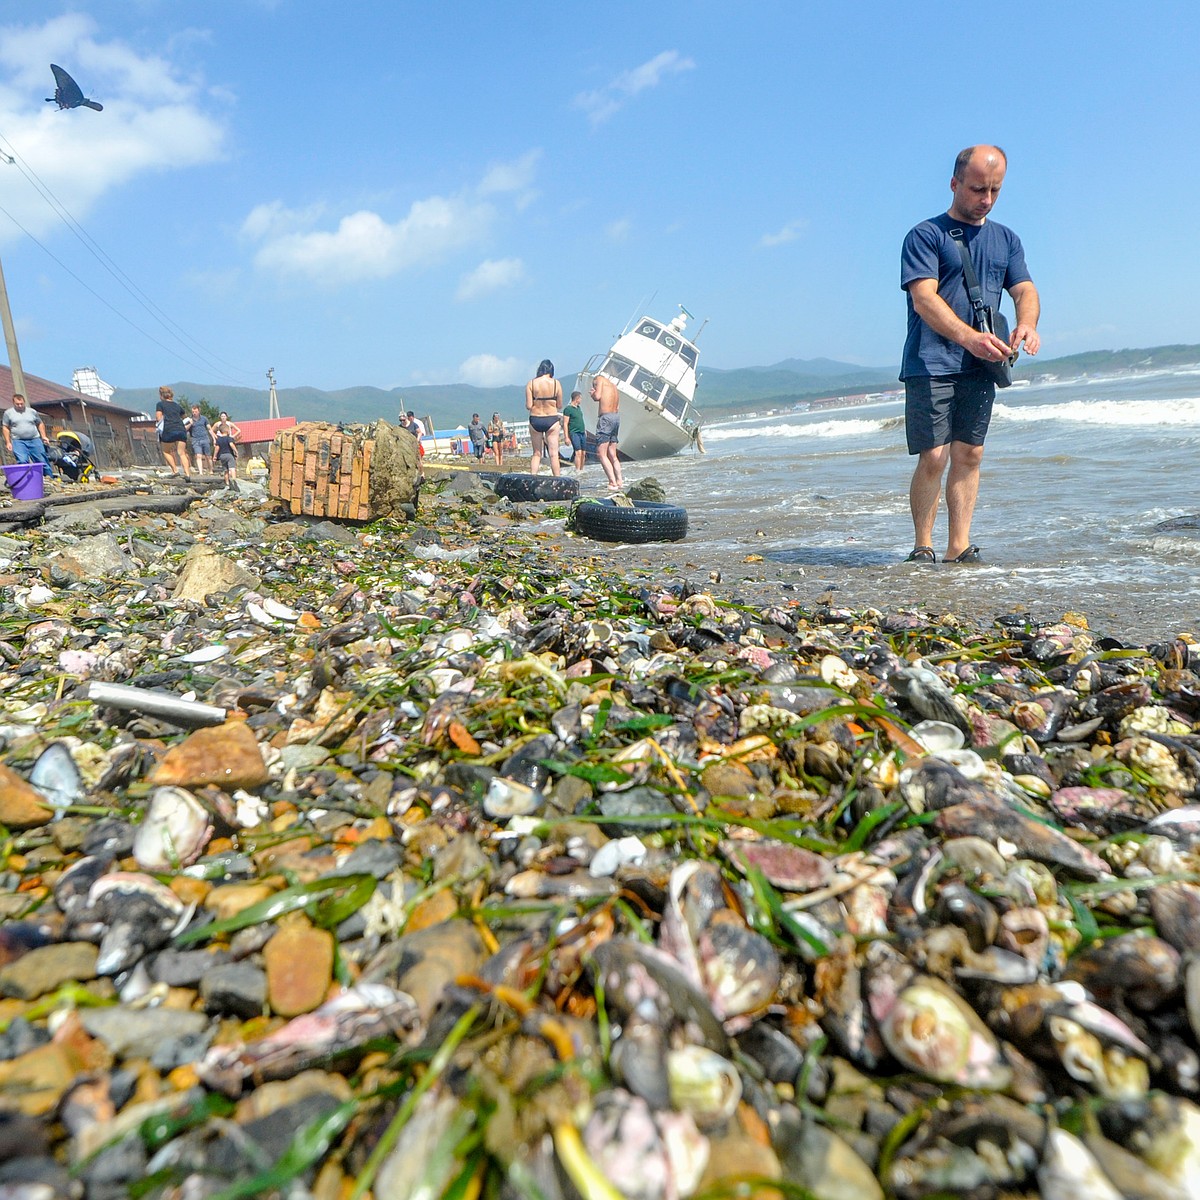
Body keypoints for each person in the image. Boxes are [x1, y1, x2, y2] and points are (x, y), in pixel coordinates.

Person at [900, 144, 1040, 565]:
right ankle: (922, 545)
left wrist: (1027, 323)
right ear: (955, 183)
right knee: (934, 455)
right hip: (931, 362)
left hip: (982, 363)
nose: (987, 199)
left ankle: (958, 545)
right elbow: (924, 299)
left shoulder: (1007, 239)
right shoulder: (925, 235)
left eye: (995, 190)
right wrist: (968, 338)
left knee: (970, 453)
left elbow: (1024, 289)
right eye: (979, 189)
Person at [526, 359, 563, 477]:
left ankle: (533, 478)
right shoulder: (556, 383)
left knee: (536, 453)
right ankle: (558, 480)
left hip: (536, 419)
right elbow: (559, 405)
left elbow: (528, 406)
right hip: (551, 419)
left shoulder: (531, 383)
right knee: (553, 454)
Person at [2, 393, 53, 478]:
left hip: (34, 439)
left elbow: (40, 423)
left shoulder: (32, 412)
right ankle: (27, 482)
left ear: (24, 402)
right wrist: (8, 442)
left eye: (21, 403)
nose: (20, 405)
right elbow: (5, 427)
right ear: (13, 403)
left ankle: (49, 478)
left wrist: (43, 436)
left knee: (41, 460)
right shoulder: (8, 413)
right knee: (22, 461)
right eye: (17, 404)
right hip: (18, 441)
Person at [590, 374, 623, 489]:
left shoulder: (599, 380)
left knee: (601, 453)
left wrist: (593, 393)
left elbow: (597, 396)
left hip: (606, 418)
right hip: (615, 417)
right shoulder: (613, 386)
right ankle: (619, 481)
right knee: (612, 454)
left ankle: (612, 482)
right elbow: (617, 407)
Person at [155, 386, 191, 477]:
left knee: (166, 451)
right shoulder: (177, 405)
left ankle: (175, 470)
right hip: (181, 429)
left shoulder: (160, 404)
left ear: (161, 395)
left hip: (169, 429)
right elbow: (185, 418)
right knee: (182, 453)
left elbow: (158, 418)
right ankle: (187, 473)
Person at [562, 390, 588, 473]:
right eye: (580, 398)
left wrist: (584, 430)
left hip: (582, 432)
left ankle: (581, 469)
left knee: (583, 453)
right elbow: (565, 423)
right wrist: (566, 437)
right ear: (577, 398)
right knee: (578, 452)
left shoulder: (578, 408)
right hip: (574, 432)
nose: (581, 400)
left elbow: (580, 420)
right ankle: (577, 470)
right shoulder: (568, 409)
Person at [188, 404, 212, 474]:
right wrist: (190, 424)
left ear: (199, 411)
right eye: (193, 411)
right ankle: (200, 472)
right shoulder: (190, 420)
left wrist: (213, 436)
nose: (194, 413)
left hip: (204, 438)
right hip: (195, 440)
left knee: (208, 456)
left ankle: (210, 470)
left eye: (195, 411)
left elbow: (209, 428)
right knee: (198, 456)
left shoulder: (204, 419)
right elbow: (185, 428)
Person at [213, 419, 238, 487]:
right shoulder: (229, 438)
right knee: (232, 468)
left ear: (220, 432)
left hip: (222, 456)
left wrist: (215, 456)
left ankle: (227, 483)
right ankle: (234, 480)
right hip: (229, 455)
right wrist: (236, 451)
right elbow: (231, 445)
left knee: (225, 470)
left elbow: (217, 448)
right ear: (228, 431)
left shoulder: (219, 439)